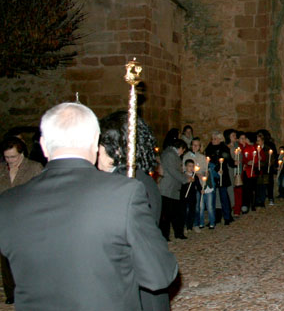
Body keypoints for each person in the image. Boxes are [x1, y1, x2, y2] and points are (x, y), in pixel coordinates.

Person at [0, 102, 177, 310]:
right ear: (95, 143)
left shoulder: (8, 202)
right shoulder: (123, 194)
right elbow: (158, 275)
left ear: (44, 144)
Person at [98, 110, 170, 310]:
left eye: (101, 146)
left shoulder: (127, 184)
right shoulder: (135, 179)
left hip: (135, 288)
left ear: (117, 149)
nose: (96, 153)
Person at [0, 137, 43, 305]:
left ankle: (30, 291)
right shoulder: (1, 170)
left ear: (22, 154)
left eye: (13, 157)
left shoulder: (34, 168)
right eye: (7, 157)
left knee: (27, 258)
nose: (10, 161)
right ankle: (11, 292)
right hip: (5, 219)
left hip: (27, 220)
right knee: (5, 259)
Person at [159, 137, 188, 241]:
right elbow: (172, 170)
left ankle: (178, 232)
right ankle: (165, 235)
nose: (182, 153)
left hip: (173, 188)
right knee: (166, 214)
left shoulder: (171, 154)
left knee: (176, 212)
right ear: (180, 148)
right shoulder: (170, 154)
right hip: (168, 188)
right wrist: (185, 179)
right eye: (183, 150)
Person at [204, 131, 234, 225]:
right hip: (213, 174)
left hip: (222, 174)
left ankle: (227, 217)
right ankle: (215, 217)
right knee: (213, 197)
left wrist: (233, 164)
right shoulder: (209, 147)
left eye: (215, 139)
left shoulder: (224, 148)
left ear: (220, 139)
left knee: (223, 195)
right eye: (212, 139)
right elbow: (207, 158)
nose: (213, 141)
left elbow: (228, 159)